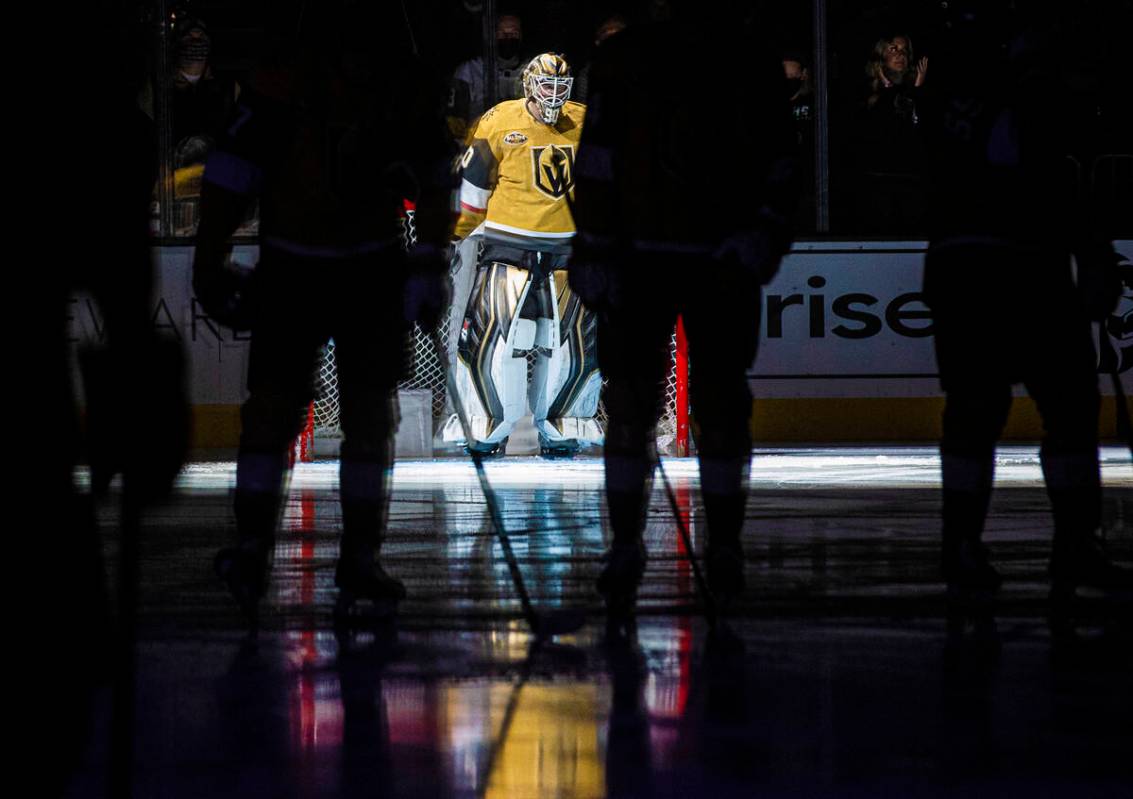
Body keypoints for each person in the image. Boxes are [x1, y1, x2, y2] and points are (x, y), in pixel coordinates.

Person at [192, 5, 454, 627]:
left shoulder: (397, 80)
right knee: (278, 409)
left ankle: (356, 555)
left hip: (364, 267)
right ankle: (255, 546)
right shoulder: (289, 76)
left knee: (364, 414)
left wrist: (428, 260)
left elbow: (436, 173)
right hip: (298, 266)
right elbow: (234, 169)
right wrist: (208, 254)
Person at [568, 6, 797, 616]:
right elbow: (597, 160)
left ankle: (722, 544)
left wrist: (767, 232)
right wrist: (592, 243)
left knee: (717, 405)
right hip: (646, 257)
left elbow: (781, 159)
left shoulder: (745, 56)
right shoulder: (628, 59)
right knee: (633, 405)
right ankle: (627, 545)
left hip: (712, 258)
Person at [919, 3, 1131, 606]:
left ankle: (969, 543)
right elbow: (1053, 185)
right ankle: (1063, 544)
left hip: (974, 267)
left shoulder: (954, 90)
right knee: (1043, 405)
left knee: (994, 409)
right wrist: (1092, 255)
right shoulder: (1022, 92)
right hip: (1013, 266)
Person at [443, 52, 603, 459]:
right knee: (494, 341)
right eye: (546, 85)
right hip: (507, 248)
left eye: (560, 87)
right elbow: (472, 186)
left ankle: (565, 426)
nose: (553, 94)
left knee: (572, 345)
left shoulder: (586, 121)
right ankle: (485, 428)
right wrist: (453, 234)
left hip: (570, 251)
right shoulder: (498, 121)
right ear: (529, 84)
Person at [852, 33, 928, 233]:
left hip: (912, 180)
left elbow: (919, 131)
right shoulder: (868, 93)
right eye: (893, 49)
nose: (900, 54)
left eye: (904, 50)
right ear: (880, 54)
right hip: (880, 181)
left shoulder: (915, 90)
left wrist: (918, 89)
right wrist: (885, 85)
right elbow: (880, 128)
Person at [448, 14, 527, 141]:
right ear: (492, 36)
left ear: (521, 36)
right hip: (480, 145)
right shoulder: (469, 71)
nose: (508, 38)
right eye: (502, 33)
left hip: (518, 145)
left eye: (514, 33)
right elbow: (456, 119)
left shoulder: (531, 70)